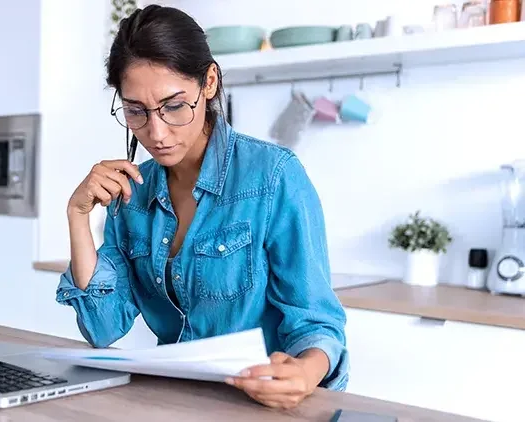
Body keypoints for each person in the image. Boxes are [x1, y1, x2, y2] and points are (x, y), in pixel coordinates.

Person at [55, 4, 349, 409]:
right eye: (136, 111)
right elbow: (102, 326)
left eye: (174, 106)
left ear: (209, 82)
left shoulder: (273, 177)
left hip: (261, 406)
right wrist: (78, 217)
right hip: (172, 403)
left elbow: (317, 322)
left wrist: (304, 373)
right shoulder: (131, 193)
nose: (156, 133)